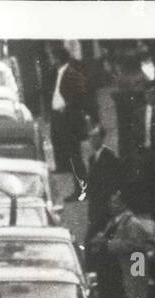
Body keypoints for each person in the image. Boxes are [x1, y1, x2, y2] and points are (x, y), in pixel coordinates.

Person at [48, 45, 90, 200]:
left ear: (58, 58)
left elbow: (80, 94)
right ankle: (80, 188)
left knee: (75, 157)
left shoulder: (70, 73)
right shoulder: (60, 72)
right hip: (62, 120)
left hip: (70, 121)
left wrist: (66, 107)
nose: (50, 60)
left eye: (52, 57)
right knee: (72, 156)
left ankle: (82, 189)